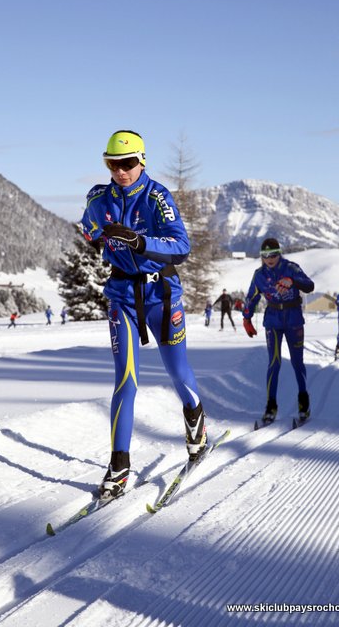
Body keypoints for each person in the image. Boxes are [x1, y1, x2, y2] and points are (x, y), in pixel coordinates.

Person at [80, 129, 208, 500]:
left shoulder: (157, 196)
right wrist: (101, 239)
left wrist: (140, 242)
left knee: (178, 373)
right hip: (121, 295)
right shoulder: (97, 198)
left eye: (128, 163)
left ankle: (196, 425)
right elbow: (89, 230)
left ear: (142, 161)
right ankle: (119, 466)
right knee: (126, 381)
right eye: (113, 164)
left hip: (162, 296)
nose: (121, 170)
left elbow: (181, 245)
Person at [242, 238, 314, 423]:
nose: (269, 259)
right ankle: (271, 406)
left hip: (294, 319)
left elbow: (309, 285)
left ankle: (303, 402)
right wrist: (247, 318)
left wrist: (293, 280)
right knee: (274, 363)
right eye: (265, 256)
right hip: (273, 320)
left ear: (279, 253)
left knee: (298, 363)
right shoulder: (259, 274)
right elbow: (251, 297)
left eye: (273, 254)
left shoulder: (291, 267)